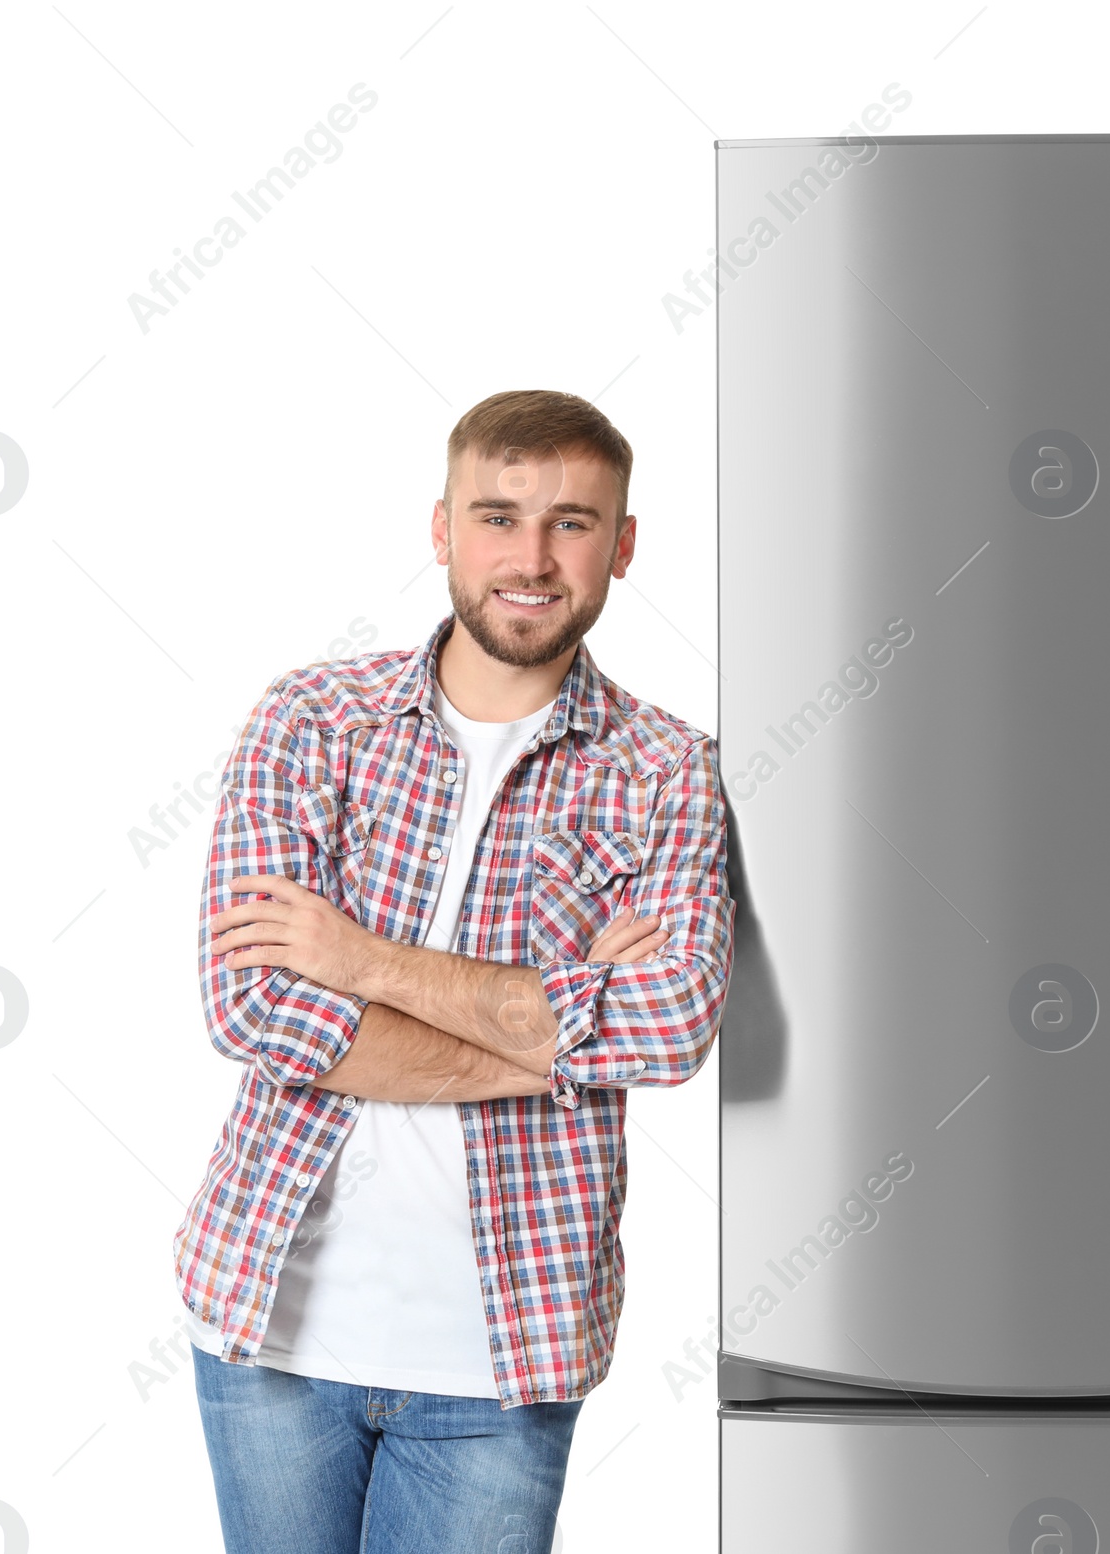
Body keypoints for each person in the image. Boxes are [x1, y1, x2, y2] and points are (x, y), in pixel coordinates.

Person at [175, 389, 735, 1553]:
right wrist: (559, 1039)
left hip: (504, 1356)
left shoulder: (669, 770)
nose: (531, 558)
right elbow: (254, 1005)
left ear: (623, 546)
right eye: (498, 515)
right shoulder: (314, 721)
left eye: (573, 522)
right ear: (442, 530)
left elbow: (672, 1024)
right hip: (269, 1329)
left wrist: (364, 961)